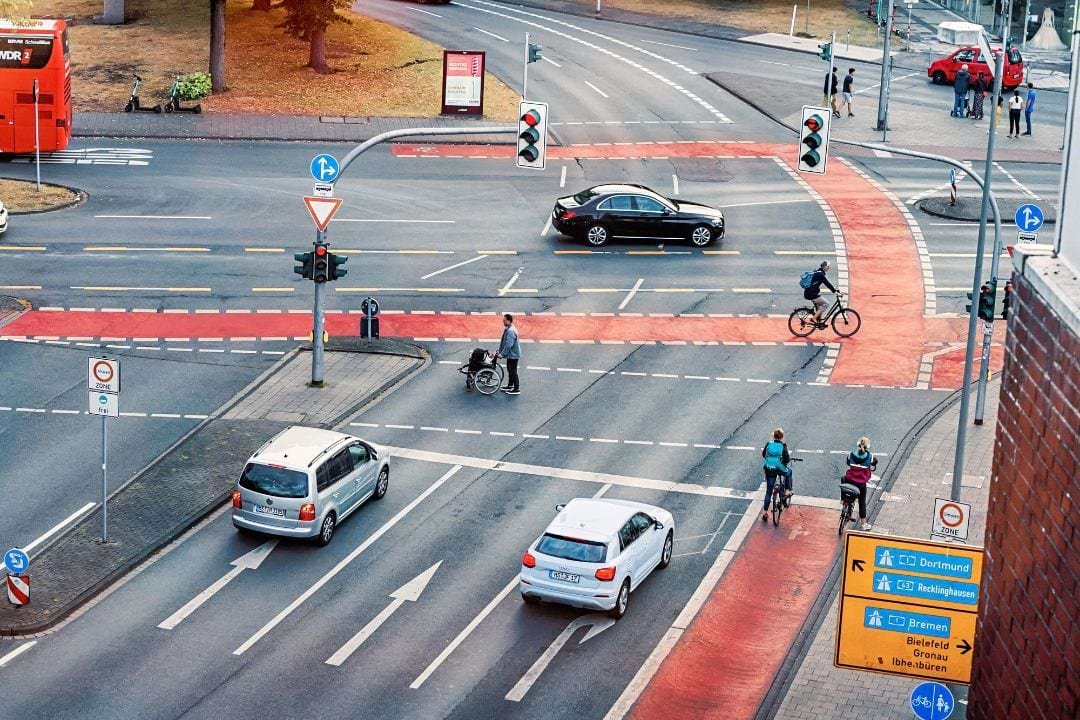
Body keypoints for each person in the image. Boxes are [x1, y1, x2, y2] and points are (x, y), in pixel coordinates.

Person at [845, 437, 878, 530]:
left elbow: (848, 463)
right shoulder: (870, 456)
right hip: (861, 483)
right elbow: (874, 463)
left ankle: (845, 503)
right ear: (867, 446)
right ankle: (863, 524)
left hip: (850, 480)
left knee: (843, 480)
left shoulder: (851, 454)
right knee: (862, 502)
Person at [761, 428, 793, 522]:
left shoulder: (769, 444)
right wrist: (783, 462)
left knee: (768, 491)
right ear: (782, 437)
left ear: (773, 436)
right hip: (778, 468)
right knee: (789, 471)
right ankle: (787, 490)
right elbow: (787, 459)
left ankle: (765, 512)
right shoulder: (783, 446)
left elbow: (764, 454)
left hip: (769, 468)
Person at [804, 260, 838, 325]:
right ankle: (813, 318)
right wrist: (835, 291)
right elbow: (827, 284)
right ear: (824, 267)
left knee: (820, 307)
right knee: (826, 304)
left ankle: (820, 322)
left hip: (810, 292)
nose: (829, 268)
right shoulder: (820, 274)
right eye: (828, 266)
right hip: (812, 294)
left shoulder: (818, 272)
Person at [495, 313, 520, 395]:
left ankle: (516, 389)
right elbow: (505, 343)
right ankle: (510, 385)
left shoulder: (510, 331)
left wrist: (502, 354)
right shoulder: (508, 328)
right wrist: (500, 351)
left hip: (513, 355)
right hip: (511, 354)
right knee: (510, 370)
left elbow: (509, 345)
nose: (503, 321)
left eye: (504, 320)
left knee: (513, 371)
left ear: (509, 321)